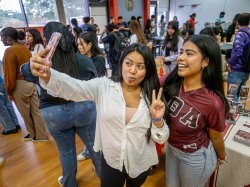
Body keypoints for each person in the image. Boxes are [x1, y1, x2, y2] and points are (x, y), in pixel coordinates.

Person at [30, 43, 169, 187]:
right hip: (111, 160)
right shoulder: (104, 86)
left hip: (140, 161)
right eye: (128, 63)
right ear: (121, 63)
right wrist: (49, 75)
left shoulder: (152, 96)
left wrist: (157, 120)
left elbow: (162, 137)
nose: (132, 70)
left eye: (140, 66)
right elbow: (75, 87)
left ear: (147, 70)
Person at [20, 21, 101, 187]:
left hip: (53, 112)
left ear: (46, 39)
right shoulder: (83, 60)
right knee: (94, 146)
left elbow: (25, 72)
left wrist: (31, 63)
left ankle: (69, 182)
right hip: (83, 108)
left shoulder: (41, 64)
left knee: (66, 151)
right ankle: (105, 177)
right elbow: (95, 85)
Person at [163, 34, 229, 186]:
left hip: (195, 156)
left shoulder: (213, 102)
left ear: (205, 62)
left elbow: (216, 136)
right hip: (172, 148)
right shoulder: (172, 82)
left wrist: (222, 156)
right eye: (181, 52)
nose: (180, 57)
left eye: (189, 53)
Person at [0, 27, 48, 142]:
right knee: (36, 111)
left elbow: (9, 75)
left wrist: (9, 91)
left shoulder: (9, 51)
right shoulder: (24, 48)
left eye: (2, 37)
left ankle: (34, 135)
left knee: (25, 113)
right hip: (31, 83)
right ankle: (42, 135)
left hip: (19, 85)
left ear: (7, 38)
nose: (1, 40)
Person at [227, 13, 250, 104]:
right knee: (242, 93)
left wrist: (230, 63)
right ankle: (239, 115)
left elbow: (238, 52)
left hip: (237, 69)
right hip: (246, 69)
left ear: (237, 22)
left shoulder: (240, 34)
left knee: (232, 95)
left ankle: (233, 115)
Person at [0, 60, 20, 135]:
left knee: (1, 108)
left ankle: (10, 127)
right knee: (8, 104)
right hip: (3, 82)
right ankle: (16, 124)